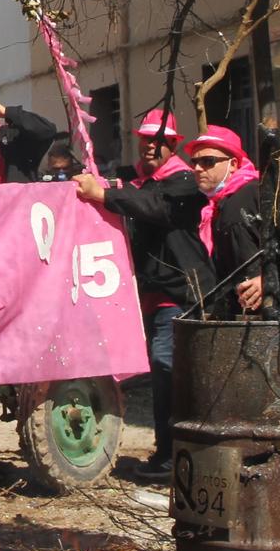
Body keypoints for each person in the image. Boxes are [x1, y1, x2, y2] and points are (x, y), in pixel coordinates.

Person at [74, 109, 213, 482]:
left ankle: (173, 457)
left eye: (160, 141)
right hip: (153, 294)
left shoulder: (184, 182)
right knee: (162, 375)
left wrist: (104, 193)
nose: (151, 146)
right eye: (147, 139)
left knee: (168, 372)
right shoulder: (139, 180)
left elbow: (153, 207)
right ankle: (169, 453)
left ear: (173, 145)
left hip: (181, 293)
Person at [185, 126, 263, 315]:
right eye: (194, 161)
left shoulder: (256, 191)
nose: (197, 168)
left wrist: (267, 279)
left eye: (208, 161)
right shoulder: (216, 206)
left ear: (234, 164)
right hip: (248, 313)